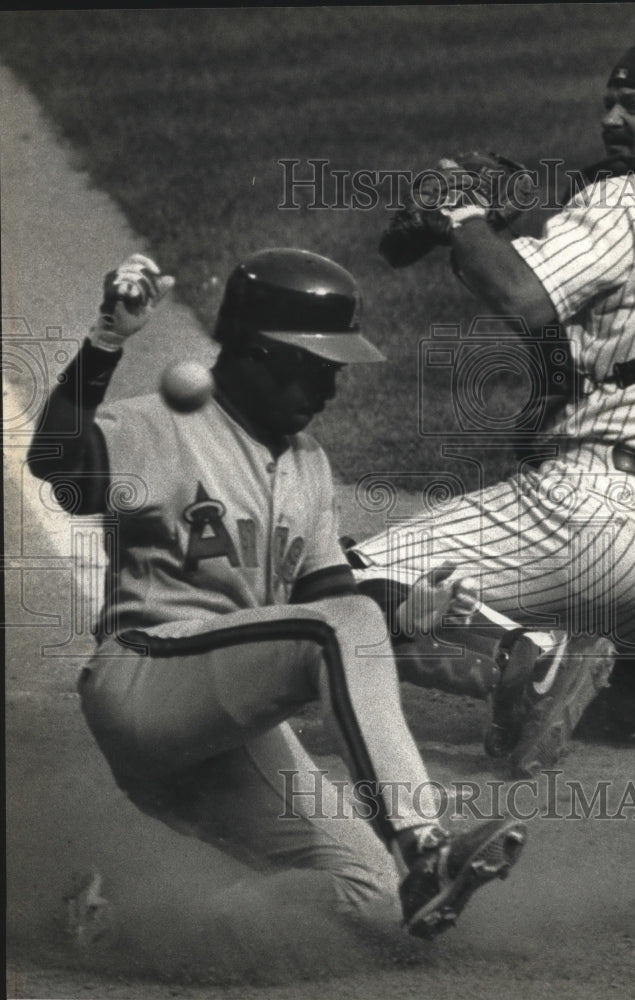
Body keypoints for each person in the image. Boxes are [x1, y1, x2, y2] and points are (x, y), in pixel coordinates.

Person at [26, 248, 526, 940]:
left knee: (377, 900)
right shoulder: (164, 424)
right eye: (316, 365)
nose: (331, 386)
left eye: (337, 368)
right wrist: (106, 341)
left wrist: (404, 621)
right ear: (258, 352)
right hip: (146, 686)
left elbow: (327, 599)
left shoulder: (309, 465)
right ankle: (426, 841)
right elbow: (59, 468)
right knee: (341, 626)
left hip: (228, 730)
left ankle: (113, 927)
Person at [350, 38, 635, 771]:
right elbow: (591, 348)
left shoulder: (622, 200)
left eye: (634, 107)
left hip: (588, 517)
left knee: (341, 594)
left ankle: (534, 656)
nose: (611, 119)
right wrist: (488, 241)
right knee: (593, 689)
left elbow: (520, 298)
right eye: (607, 103)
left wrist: (461, 214)